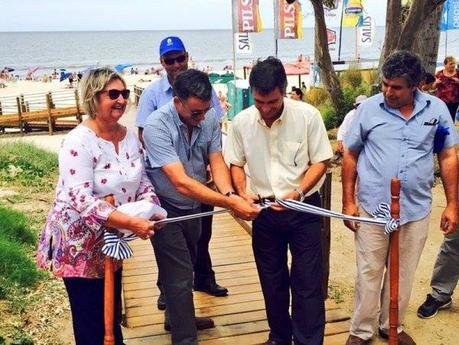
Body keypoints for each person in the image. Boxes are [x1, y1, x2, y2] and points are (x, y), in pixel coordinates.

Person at [36, 67, 163, 345]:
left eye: (125, 93)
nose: (121, 100)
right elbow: (81, 199)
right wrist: (131, 223)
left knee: (111, 311)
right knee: (89, 318)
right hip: (79, 241)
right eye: (113, 94)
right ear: (94, 98)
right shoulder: (77, 142)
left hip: (111, 237)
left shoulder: (129, 137)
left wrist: (153, 209)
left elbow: (142, 181)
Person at [342, 50, 458, 345]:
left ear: (416, 85)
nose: (387, 91)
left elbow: (447, 156)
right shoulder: (368, 109)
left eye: (396, 87)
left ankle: (390, 324)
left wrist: (453, 204)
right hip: (373, 207)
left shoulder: (437, 110)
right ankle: (361, 331)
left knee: (403, 273)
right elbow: (351, 155)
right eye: (384, 84)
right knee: (369, 271)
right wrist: (348, 202)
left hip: (415, 209)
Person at [143, 69, 260, 345]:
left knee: (191, 266)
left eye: (206, 110)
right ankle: (185, 338)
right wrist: (230, 204)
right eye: (196, 112)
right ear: (177, 102)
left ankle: (177, 317)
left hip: (196, 206)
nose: (202, 118)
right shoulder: (156, 126)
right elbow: (180, 182)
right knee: (178, 274)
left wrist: (231, 193)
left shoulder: (208, 118)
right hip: (166, 208)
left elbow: (216, 160)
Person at [225, 57, 334, 345]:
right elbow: (235, 163)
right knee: (271, 280)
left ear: (284, 91)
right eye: (260, 102)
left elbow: (321, 161)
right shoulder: (242, 122)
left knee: (308, 280)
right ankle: (279, 337)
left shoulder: (308, 116)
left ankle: (309, 340)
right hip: (263, 211)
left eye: (272, 102)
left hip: (303, 206)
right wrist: (242, 192)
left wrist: (298, 192)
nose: (265, 109)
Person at [136, 36, 227, 311]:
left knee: (199, 240)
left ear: (187, 56)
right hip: (167, 191)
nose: (176, 64)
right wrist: (172, 159)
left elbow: (213, 136)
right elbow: (146, 134)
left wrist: (227, 190)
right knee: (172, 256)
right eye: (169, 60)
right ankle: (172, 298)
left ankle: (198, 284)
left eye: (180, 58)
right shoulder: (153, 97)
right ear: (162, 63)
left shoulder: (205, 97)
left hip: (201, 187)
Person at [434, 56, 459, 121]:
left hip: (454, 101)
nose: (453, 65)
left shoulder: (458, 73)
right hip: (442, 100)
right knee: (441, 117)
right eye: (451, 64)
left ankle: (450, 130)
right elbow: (433, 87)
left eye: (454, 63)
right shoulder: (439, 73)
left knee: (451, 118)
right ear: (445, 64)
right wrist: (436, 83)